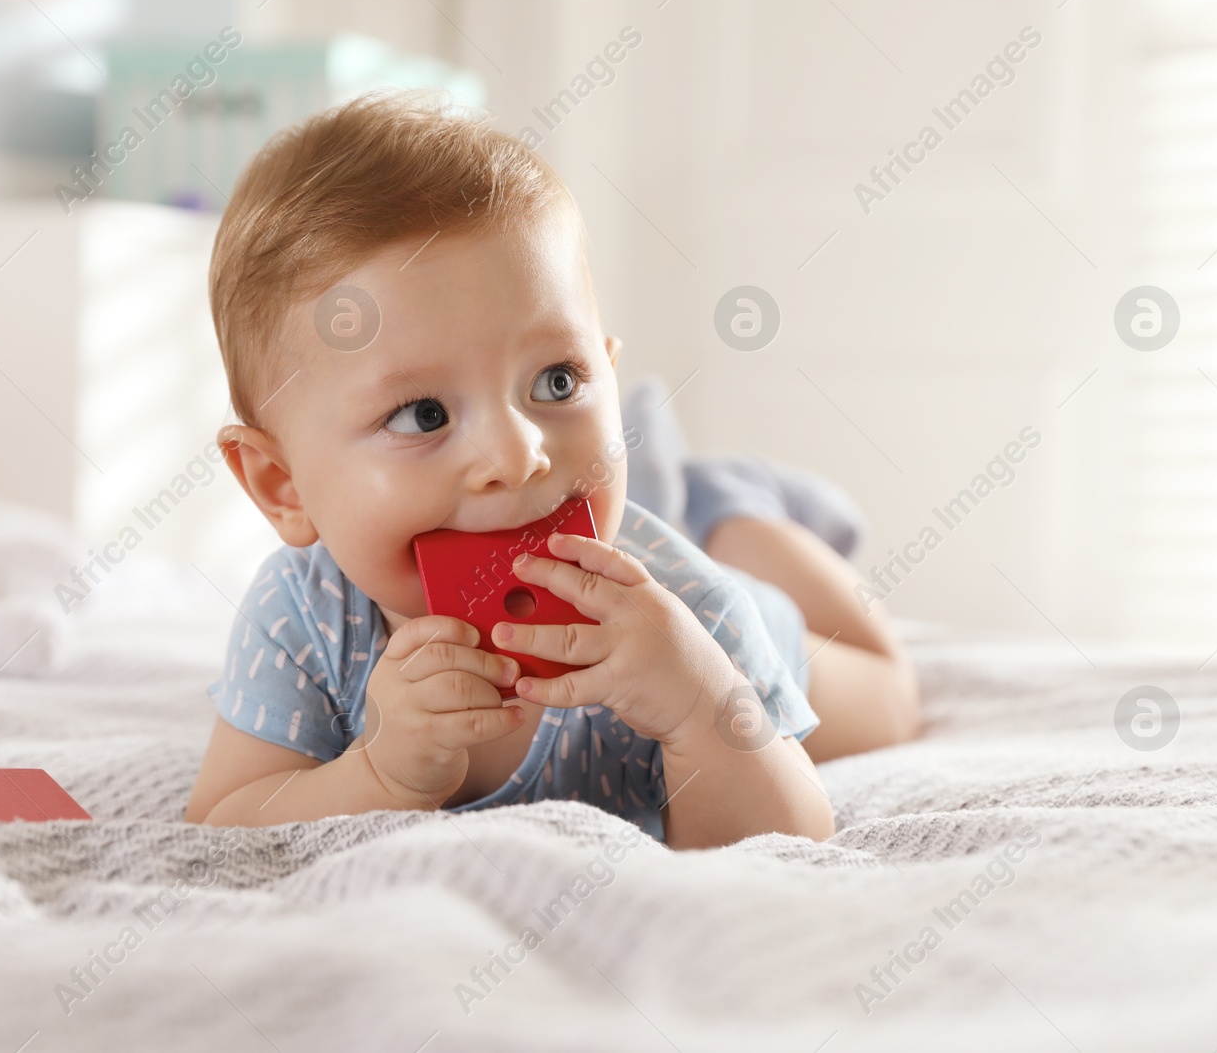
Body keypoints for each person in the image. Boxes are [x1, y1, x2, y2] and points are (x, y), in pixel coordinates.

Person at [184, 92, 916, 848]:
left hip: (741, 602)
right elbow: (223, 823)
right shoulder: (305, 619)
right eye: (422, 415)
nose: (517, 454)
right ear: (284, 485)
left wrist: (698, 705)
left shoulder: (689, 609)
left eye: (557, 382)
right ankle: (689, 489)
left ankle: (736, 511)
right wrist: (377, 776)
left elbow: (788, 836)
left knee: (890, 697)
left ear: (605, 367)